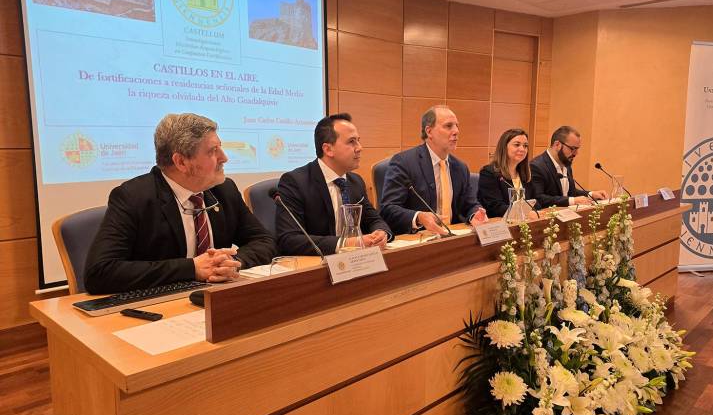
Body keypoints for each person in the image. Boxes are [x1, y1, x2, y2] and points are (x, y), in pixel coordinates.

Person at [84, 113, 277, 294]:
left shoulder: (224, 190)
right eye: (213, 151)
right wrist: (191, 268)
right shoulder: (134, 197)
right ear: (181, 162)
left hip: (216, 297)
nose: (224, 158)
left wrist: (232, 262)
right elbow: (100, 272)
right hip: (161, 305)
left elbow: (264, 241)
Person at [276, 113, 392, 255]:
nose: (359, 148)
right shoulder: (295, 182)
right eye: (351, 142)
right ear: (328, 149)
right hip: (317, 266)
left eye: (358, 141)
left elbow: (374, 219)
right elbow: (289, 239)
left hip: (357, 263)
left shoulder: (355, 181)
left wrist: (380, 232)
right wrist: (345, 243)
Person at [379, 105, 488, 235]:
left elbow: (469, 204)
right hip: (419, 240)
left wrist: (475, 213)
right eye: (448, 126)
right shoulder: (404, 163)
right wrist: (419, 217)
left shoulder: (460, 167)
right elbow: (388, 209)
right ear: (429, 131)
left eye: (457, 126)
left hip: (453, 238)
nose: (456, 131)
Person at [529, 125, 608, 208]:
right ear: (557, 145)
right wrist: (572, 201)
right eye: (573, 148)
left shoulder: (566, 163)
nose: (576, 153)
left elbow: (570, 192)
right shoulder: (536, 166)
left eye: (577, 149)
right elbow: (538, 198)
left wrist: (591, 194)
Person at [478, 128, 535, 218]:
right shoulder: (489, 173)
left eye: (525, 146)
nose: (522, 149)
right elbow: (495, 207)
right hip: (499, 225)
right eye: (517, 145)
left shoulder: (525, 174)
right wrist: (525, 213)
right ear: (504, 147)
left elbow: (535, 201)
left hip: (525, 223)